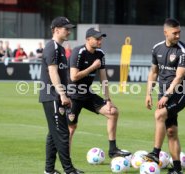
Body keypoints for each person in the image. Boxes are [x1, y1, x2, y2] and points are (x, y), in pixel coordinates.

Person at [67, 27, 131, 158]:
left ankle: (113, 150)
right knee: (71, 128)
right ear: (88, 39)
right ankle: (65, 158)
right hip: (72, 95)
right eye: (97, 39)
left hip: (87, 94)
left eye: (101, 38)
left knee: (113, 112)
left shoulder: (100, 54)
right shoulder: (78, 52)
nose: (100, 41)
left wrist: (108, 99)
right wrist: (92, 67)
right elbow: (74, 77)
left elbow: (103, 78)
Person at [144, 18, 185, 174]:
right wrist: (148, 94)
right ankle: (177, 169)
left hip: (179, 94)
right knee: (171, 131)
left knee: (159, 115)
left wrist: (166, 96)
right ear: (165, 32)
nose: (178, 35)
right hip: (162, 94)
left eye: (179, 32)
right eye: (174, 33)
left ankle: (155, 153)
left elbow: (179, 78)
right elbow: (153, 72)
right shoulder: (157, 48)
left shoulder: (184, 51)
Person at [39, 16, 84, 174]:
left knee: (54, 134)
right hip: (52, 96)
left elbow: (63, 74)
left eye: (69, 28)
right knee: (62, 133)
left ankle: (49, 171)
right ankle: (69, 170)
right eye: (66, 28)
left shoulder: (60, 48)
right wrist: (62, 95)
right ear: (56, 30)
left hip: (56, 97)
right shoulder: (52, 47)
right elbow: (52, 71)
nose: (69, 31)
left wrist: (67, 95)